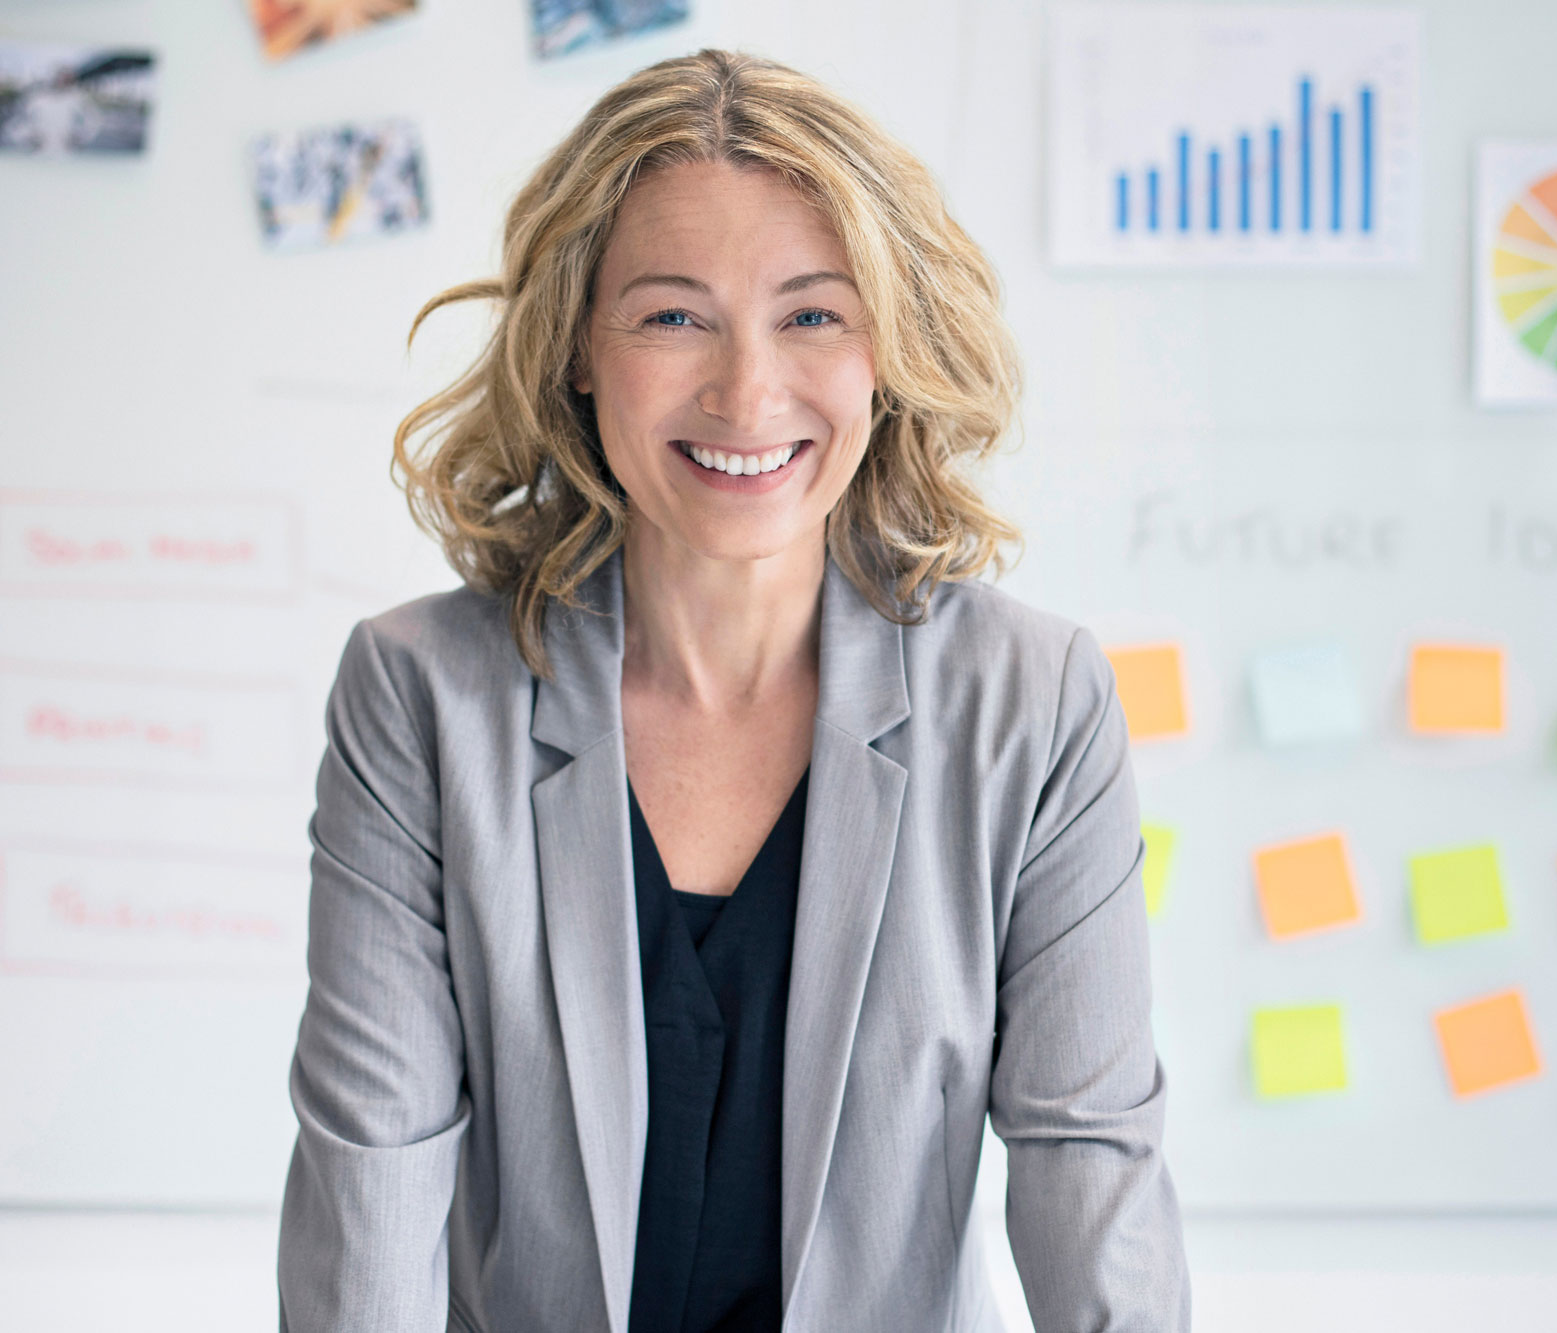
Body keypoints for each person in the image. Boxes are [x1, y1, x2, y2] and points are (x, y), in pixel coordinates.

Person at [277, 49, 1189, 1333]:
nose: (746, 391)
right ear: (576, 349)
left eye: (812, 314)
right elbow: (367, 1185)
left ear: (886, 349)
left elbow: (1090, 1175)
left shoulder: (1032, 702)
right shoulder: (421, 698)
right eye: (670, 315)